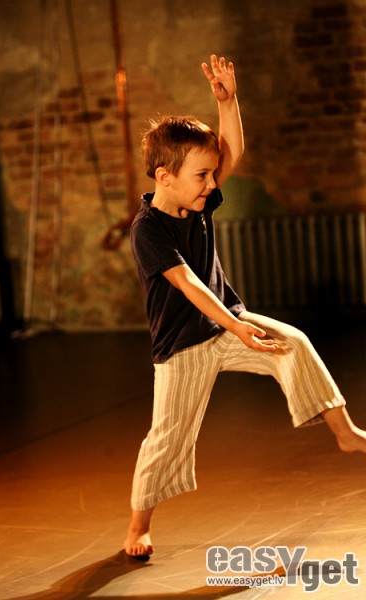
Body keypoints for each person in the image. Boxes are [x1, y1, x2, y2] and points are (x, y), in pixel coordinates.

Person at [123, 55, 366, 558]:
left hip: (227, 325)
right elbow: (189, 284)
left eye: (212, 175)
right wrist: (237, 327)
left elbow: (233, 150)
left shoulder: (198, 199)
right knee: (167, 437)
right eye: (202, 176)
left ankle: (346, 435)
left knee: (293, 343)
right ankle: (137, 527)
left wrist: (227, 101)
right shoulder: (148, 229)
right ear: (165, 176)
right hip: (184, 346)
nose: (213, 184)